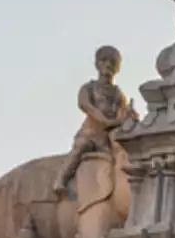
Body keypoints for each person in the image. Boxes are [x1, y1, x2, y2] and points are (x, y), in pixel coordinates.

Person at [55, 45, 138, 198]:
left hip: (108, 138)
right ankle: (61, 179)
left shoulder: (117, 93)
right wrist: (106, 120)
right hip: (91, 133)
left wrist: (131, 116)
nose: (108, 65)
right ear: (97, 64)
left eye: (113, 63)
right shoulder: (89, 88)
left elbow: (124, 111)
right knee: (79, 149)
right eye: (104, 61)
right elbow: (86, 105)